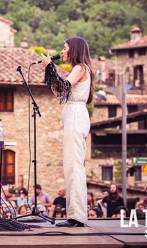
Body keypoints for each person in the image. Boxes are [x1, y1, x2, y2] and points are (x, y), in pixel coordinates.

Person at [42, 37, 94, 227]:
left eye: (65, 49)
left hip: (75, 116)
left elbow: (64, 86)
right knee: (71, 167)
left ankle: (77, 216)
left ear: (74, 50)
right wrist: (49, 70)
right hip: (73, 114)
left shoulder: (80, 68)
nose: (62, 52)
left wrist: (50, 66)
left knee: (74, 167)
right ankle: (75, 215)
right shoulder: (78, 69)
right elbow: (59, 92)